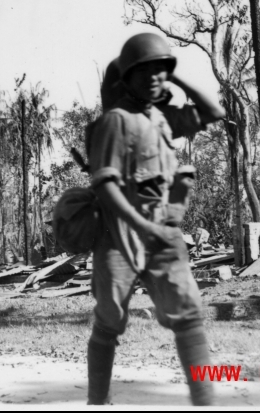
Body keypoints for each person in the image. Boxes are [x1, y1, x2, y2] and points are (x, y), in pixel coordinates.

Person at [86, 32, 225, 406]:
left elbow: (215, 112)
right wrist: (140, 225)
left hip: (162, 230)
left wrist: (173, 75)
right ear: (125, 78)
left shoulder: (162, 119)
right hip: (119, 234)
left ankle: (205, 403)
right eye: (142, 71)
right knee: (110, 317)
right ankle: (96, 403)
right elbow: (105, 184)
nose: (153, 77)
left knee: (187, 311)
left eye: (159, 70)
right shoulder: (116, 120)